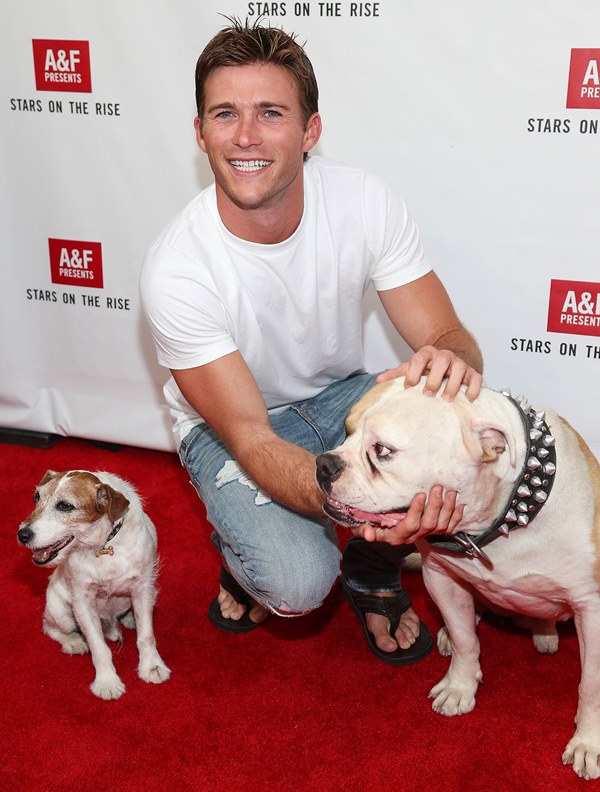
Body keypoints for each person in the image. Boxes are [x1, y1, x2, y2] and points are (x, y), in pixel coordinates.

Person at [140, 18, 483, 665]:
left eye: (271, 113)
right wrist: (376, 509)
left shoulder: (364, 200)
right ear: (200, 132)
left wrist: (453, 366)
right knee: (296, 586)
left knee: (459, 428)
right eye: (225, 113)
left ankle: (371, 571)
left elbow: (447, 337)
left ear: (310, 130)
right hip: (232, 427)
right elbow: (253, 438)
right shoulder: (176, 268)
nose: (246, 135)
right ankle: (242, 550)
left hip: (339, 397)